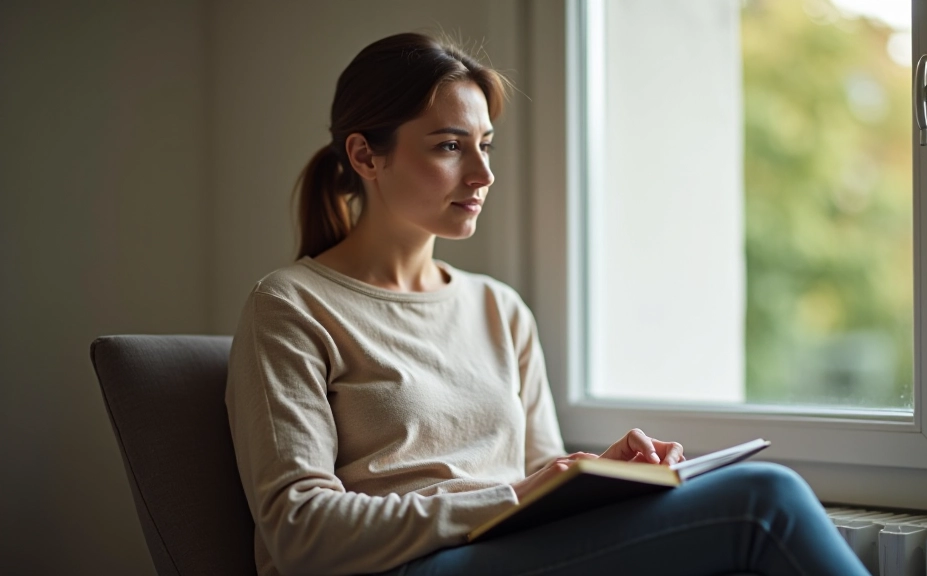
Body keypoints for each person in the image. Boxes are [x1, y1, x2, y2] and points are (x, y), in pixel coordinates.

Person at [224, 32, 870, 576]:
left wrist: (595, 475)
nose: (482, 174)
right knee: (763, 498)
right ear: (366, 155)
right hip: (406, 567)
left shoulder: (498, 308)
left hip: (503, 550)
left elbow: (536, 481)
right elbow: (298, 532)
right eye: (450, 146)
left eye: (485, 145)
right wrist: (510, 495)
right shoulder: (292, 306)